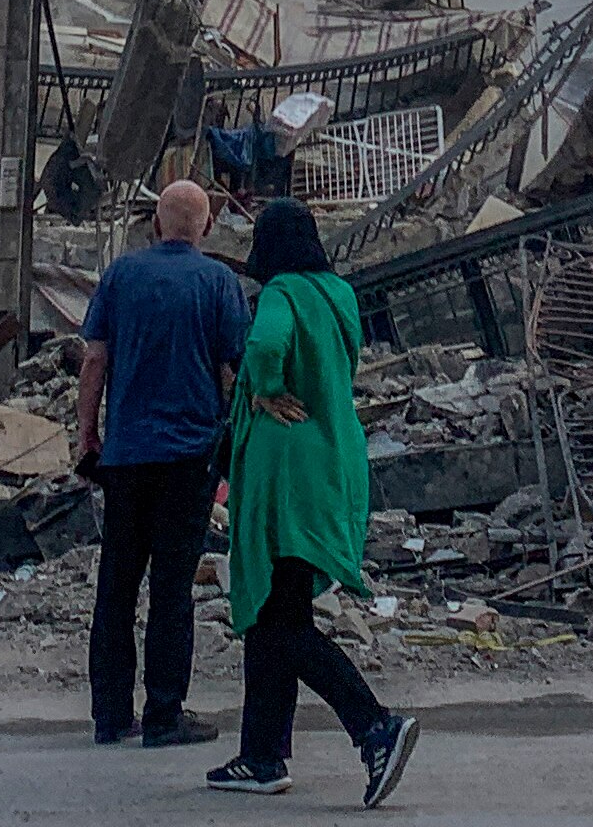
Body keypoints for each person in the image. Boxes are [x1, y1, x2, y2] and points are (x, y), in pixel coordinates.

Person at [207, 197, 422, 805]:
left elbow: (266, 345)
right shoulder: (338, 294)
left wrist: (266, 390)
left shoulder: (281, 294)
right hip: (335, 459)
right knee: (276, 617)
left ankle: (375, 727)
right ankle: (261, 756)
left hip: (287, 470)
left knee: (279, 621)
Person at [75, 177, 245, 747]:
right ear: (208, 228)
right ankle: (165, 714)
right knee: (172, 588)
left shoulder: (121, 275)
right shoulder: (220, 282)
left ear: (155, 224)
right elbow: (234, 372)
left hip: (126, 456)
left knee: (117, 585)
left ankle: (109, 716)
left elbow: (94, 360)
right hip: (190, 458)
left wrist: (87, 435)